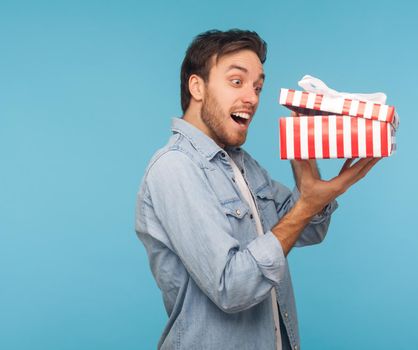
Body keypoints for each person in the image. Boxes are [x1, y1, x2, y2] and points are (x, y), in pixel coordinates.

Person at [135, 29, 380, 350]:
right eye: (237, 82)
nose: (252, 98)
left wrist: (310, 180)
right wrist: (306, 205)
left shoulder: (244, 166)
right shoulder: (175, 168)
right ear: (197, 87)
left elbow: (305, 231)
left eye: (258, 87)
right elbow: (232, 287)